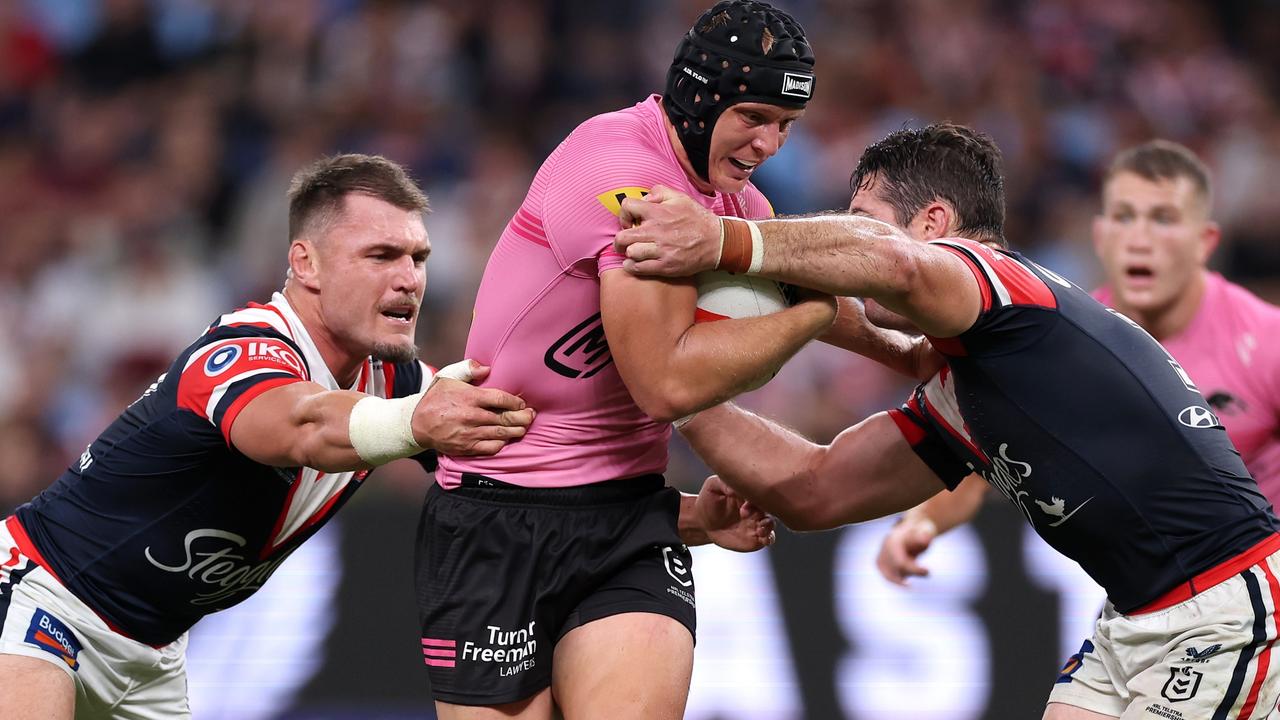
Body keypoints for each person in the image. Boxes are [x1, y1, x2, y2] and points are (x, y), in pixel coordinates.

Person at [613, 124, 1280, 719]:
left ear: (934, 223)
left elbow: (892, 263)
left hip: (1226, 606)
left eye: (863, 221)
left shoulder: (998, 278)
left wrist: (724, 242)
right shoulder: (968, 383)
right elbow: (813, 490)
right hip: (1139, 616)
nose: (849, 249)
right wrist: (676, 389)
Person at [414, 3, 834, 719]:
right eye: (756, 116)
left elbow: (826, 286)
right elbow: (664, 384)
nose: (770, 143)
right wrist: (814, 314)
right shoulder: (619, 168)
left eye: (786, 126)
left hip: (629, 520)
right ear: (703, 97)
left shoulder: (731, 205)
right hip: (495, 516)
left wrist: (918, 347)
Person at [875, 140, 1280, 590]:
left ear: (1205, 242)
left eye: (1163, 219)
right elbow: (984, 462)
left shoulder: (1266, 344)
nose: (1139, 239)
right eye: (1125, 217)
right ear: (1100, 235)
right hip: (1145, 600)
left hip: (1253, 599)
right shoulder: (1052, 339)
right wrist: (922, 523)